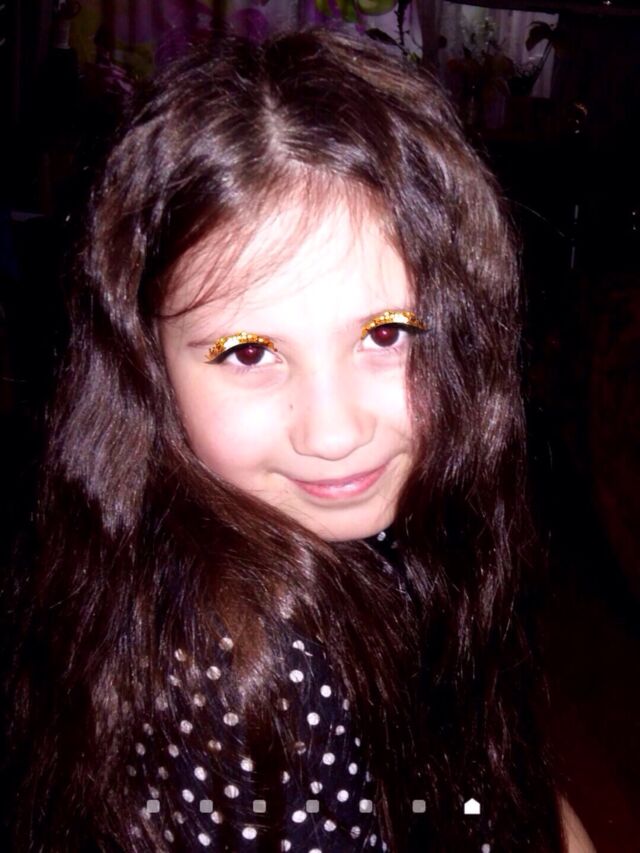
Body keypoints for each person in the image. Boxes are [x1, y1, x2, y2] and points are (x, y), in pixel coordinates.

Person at [1, 25, 596, 853]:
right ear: (147, 366)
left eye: (387, 334)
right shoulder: (252, 679)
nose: (334, 432)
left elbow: (450, 771)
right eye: (250, 352)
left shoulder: (368, 531)